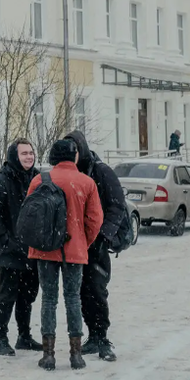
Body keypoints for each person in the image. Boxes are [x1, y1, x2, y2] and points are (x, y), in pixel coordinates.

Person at [26, 138, 103, 371]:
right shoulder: (87, 182)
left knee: (48, 299)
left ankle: (48, 355)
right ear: (75, 157)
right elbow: (95, 219)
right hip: (74, 250)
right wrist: (82, 241)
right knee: (73, 299)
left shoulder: (39, 180)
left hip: (45, 249)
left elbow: (29, 216)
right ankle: (76, 354)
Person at [67, 130, 128, 363]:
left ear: (81, 148)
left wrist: (103, 235)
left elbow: (116, 205)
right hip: (78, 242)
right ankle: (92, 334)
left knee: (97, 289)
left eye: (75, 150)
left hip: (97, 242)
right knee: (82, 290)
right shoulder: (71, 173)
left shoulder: (101, 171)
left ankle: (102, 336)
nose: (73, 155)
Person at [0, 139, 41, 356]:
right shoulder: (1, 181)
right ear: (14, 156)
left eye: (31, 152)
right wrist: (6, 240)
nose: (29, 156)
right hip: (10, 251)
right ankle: (1, 337)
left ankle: (24, 336)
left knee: (28, 295)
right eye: (24, 153)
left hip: (33, 250)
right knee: (7, 295)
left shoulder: (37, 178)